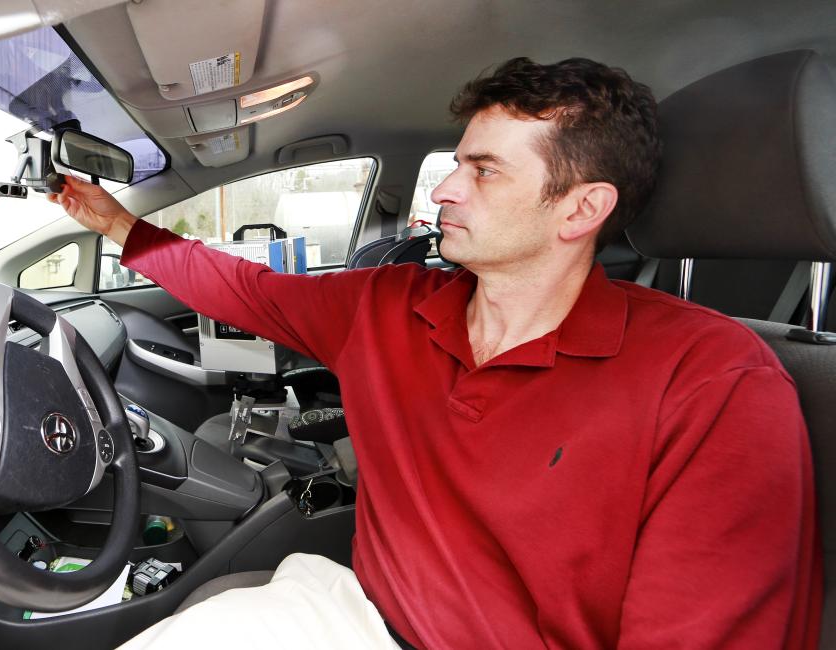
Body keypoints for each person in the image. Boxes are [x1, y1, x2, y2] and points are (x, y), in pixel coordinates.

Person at [51, 58, 821, 649]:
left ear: (582, 208)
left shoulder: (715, 382)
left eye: (483, 171)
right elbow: (242, 289)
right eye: (457, 163)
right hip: (353, 616)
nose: (446, 190)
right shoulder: (390, 305)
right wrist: (118, 224)